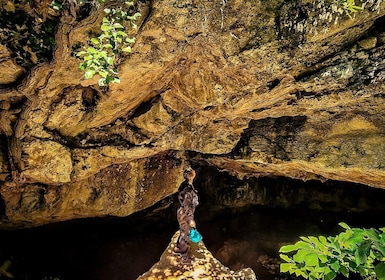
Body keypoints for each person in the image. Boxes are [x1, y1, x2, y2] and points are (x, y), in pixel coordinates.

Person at [174, 167, 200, 262]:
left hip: (181, 211)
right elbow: (187, 205)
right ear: (191, 176)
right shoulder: (188, 189)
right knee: (186, 233)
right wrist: (191, 220)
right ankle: (184, 257)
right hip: (185, 213)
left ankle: (178, 248)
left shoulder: (184, 185)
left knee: (183, 231)